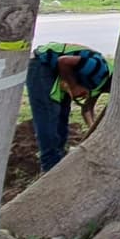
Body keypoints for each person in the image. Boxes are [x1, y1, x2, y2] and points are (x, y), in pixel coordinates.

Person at [26, 43, 113, 171]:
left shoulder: (101, 85)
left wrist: (94, 131)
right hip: (42, 64)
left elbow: (87, 109)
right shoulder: (99, 68)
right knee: (49, 117)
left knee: (62, 117)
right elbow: (63, 61)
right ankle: (49, 168)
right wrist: (74, 86)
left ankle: (59, 160)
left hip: (63, 74)